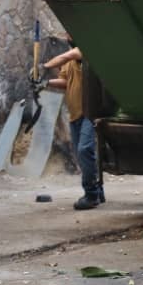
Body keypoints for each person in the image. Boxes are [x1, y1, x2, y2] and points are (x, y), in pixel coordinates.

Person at [44, 40, 104, 210]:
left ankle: (91, 195)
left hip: (89, 112)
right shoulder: (69, 63)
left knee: (85, 150)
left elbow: (66, 55)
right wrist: (46, 83)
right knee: (82, 155)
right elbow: (65, 82)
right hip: (75, 113)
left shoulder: (83, 50)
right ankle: (98, 190)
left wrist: (44, 66)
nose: (67, 35)